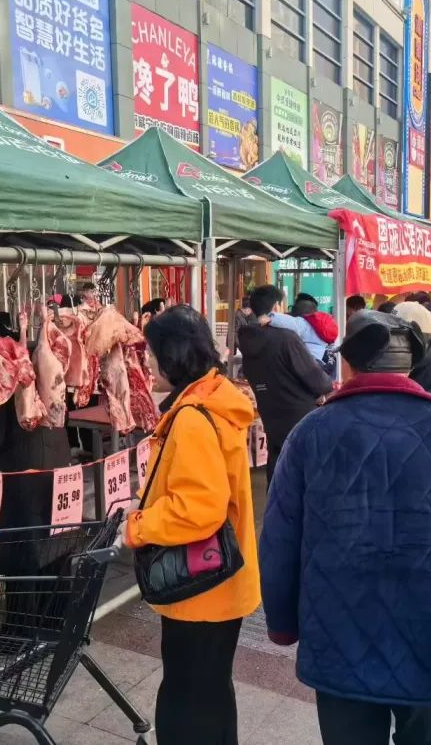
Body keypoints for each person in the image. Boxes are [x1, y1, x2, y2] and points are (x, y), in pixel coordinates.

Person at [260, 310, 431, 745]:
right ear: (412, 366)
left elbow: (279, 540)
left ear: (349, 363)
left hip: (339, 636)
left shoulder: (310, 434)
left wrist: (283, 622)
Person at [120, 305, 260, 745]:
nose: (147, 362)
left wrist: (138, 526)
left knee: (186, 700)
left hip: (200, 587)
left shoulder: (192, 418)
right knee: (211, 692)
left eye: (152, 353)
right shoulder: (213, 400)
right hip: (220, 582)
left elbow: (198, 509)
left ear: (173, 355)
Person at [0, 312, 73, 640]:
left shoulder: (2, 365)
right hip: (57, 463)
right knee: (55, 545)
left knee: (21, 552)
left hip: (21, 476)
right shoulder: (45, 357)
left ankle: (19, 633)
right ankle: (54, 624)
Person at [239, 285, 332, 482]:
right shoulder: (286, 338)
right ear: (277, 307)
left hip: (270, 413)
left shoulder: (248, 340)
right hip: (300, 416)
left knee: (277, 469)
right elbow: (317, 380)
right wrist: (325, 387)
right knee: (302, 476)